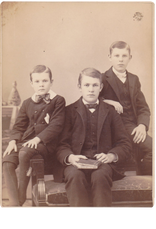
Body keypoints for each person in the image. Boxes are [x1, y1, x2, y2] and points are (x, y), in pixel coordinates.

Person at [56, 68, 131, 207]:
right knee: (75, 176)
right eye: (87, 85)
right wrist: (71, 157)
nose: (91, 89)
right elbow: (61, 144)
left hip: (102, 164)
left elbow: (124, 143)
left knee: (100, 176)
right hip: (76, 163)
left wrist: (111, 156)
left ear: (101, 87)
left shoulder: (111, 112)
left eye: (95, 85)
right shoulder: (69, 111)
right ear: (79, 87)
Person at [3, 65, 65, 206]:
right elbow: (19, 125)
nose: (41, 84)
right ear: (31, 83)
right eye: (37, 81)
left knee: (25, 152)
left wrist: (38, 139)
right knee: (7, 160)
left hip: (45, 144)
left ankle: (21, 197)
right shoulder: (26, 103)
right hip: (25, 142)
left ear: (51, 81)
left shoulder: (58, 101)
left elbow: (56, 125)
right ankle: (15, 205)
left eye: (44, 81)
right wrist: (13, 140)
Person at [100, 41, 152, 175]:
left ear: (130, 57)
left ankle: (144, 176)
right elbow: (91, 99)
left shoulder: (134, 79)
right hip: (117, 126)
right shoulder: (102, 78)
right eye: (116, 55)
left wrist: (142, 125)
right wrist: (109, 101)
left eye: (124, 56)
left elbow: (143, 108)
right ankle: (144, 176)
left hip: (134, 126)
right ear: (109, 57)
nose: (120, 59)